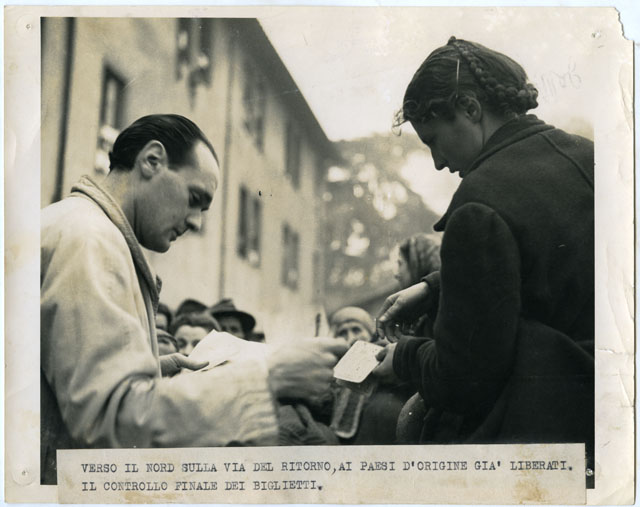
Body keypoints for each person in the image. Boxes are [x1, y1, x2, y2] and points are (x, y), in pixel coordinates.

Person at [40, 114, 347, 484]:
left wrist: (153, 368)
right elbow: (109, 421)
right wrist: (269, 378)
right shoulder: (91, 241)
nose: (197, 222)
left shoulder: (82, 229)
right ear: (152, 160)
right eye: (195, 199)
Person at [374, 37, 594, 473]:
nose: (438, 162)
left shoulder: (478, 203)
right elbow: (546, 256)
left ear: (470, 108)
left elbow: (463, 381)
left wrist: (404, 357)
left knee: (412, 425)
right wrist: (434, 287)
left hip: (553, 431)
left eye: (434, 140)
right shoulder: (590, 156)